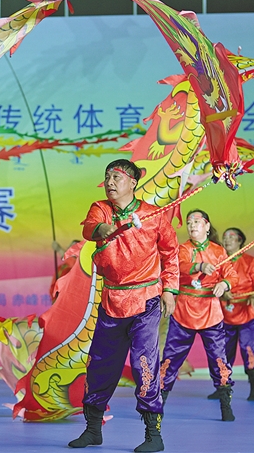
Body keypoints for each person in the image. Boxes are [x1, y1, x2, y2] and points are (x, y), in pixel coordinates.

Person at [69, 159, 178, 452]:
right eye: (107, 177)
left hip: (146, 300)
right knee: (100, 364)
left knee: (145, 363)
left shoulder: (153, 215)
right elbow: (90, 228)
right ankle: (93, 429)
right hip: (112, 300)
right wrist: (102, 229)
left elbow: (170, 253)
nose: (110, 182)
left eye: (116, 177)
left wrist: (169, 290)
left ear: (133, 182)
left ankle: (153, 435)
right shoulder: (101, 209)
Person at [159, 209, 238, 422]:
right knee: (171, 358)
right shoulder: (183, 249)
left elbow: (231, 274)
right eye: (189, 222)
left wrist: (224, 284)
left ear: (207, 226)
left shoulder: (218, 251)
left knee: (219, 359)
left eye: (197, 221)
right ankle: (158, 404)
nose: (192, 225)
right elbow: (181, 266)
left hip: (211, 311)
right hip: (184, 310)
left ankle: (225, 404)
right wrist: (200, 266)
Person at [207, 228, 254, 401]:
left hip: (246, 313)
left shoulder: (249, 261)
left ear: (240, 241)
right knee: (224, 352)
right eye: (225, 237)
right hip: (225, 314)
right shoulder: (219, 262)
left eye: (232, 237)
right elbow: (212, 283)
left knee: (249, 349)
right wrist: (222, 293)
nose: (227, 240)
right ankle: (222, 388)